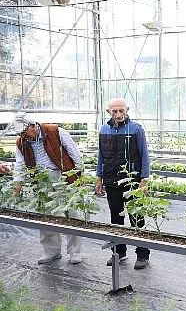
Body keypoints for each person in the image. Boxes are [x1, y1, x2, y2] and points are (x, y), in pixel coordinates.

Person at [13, 112, 84, 264]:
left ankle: (74, 252)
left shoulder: (55, 131)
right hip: (41, 180)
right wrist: (17, 184)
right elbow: (19, 165)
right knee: (46, 216)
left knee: (72, 213)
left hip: (63, 175)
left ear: (33, 125)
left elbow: (74, 153)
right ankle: (52, 251)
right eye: (21, 134)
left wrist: (79, 176)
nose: (24, 136)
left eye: (25, 133)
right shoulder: (21, 142)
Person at [95, 98, 151, 270]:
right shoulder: (104, 130)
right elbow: (101, 156)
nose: (118, 115)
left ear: (127, 110)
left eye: (121, 111)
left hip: (132, 180)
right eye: (114, 111)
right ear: (108, 112)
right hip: (112, 180)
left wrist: (144, 180)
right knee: (115, 218)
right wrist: (99, 177)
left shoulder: (136, 129)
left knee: (137, 217)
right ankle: (119, 252)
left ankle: (142, 254)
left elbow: (145, 155)